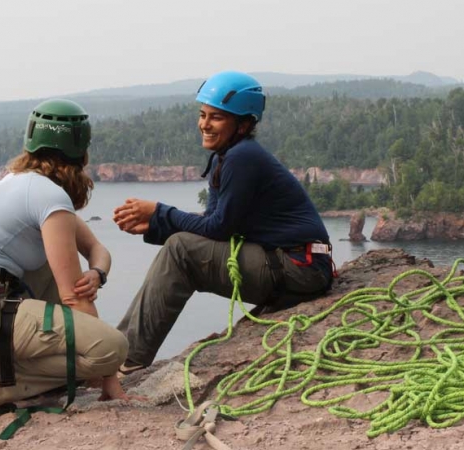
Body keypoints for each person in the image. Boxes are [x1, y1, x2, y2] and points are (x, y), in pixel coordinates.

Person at [112, 71, 334, 374]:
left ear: (243, 124)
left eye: (215, 117)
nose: (204, 124)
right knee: (180, 246)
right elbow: (215, 224)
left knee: (181, 250)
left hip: (300, 269)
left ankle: (125, 360)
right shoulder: (226, 157)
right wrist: (156, 225)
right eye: (202, 115)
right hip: (292, 264)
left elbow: (219, 229)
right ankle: (124, 354)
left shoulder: (243, 157)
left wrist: (161, 212)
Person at [0, 98, 133, 419]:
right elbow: (73, 297)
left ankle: (2, 372)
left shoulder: (21, 184)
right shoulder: (48, 195)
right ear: (82, 148)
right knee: (111, 349)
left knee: (53, 269)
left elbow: (97, 251)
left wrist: (97, 274)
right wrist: (110, 378)